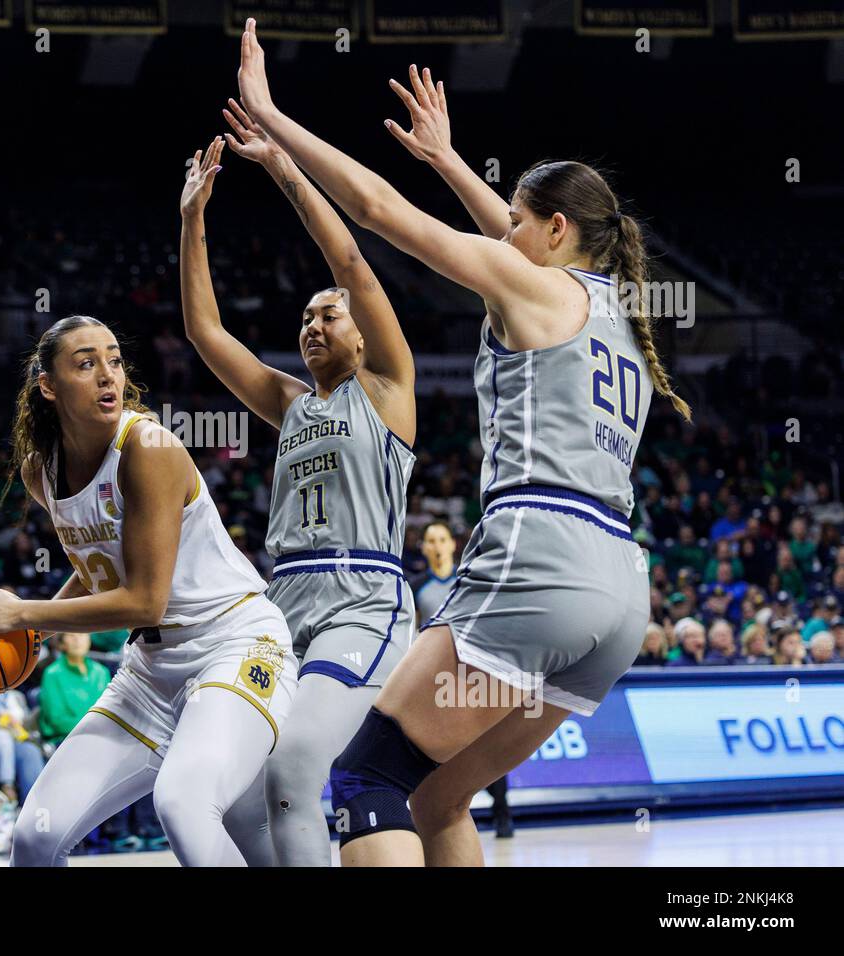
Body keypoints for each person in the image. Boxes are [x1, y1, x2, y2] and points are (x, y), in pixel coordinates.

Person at [234, 21, 691, 865]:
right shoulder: (618, 310)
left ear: (554, 230)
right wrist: (449, 161)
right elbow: (516, 247)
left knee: (367, 778)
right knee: (439, 794)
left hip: (539, 559)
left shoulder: (534, 283)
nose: (501, 232)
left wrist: (274, 116)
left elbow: (377, 211)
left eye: (517, 220)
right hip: (621, 594)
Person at [0, 315, 299, 867]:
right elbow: (98, 567)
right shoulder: (43, 470)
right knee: (36, 837)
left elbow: (142, 600)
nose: (108, 375)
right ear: (48, 385)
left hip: (236, 645)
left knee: (184, 804)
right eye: (85, 364)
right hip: (151, 673)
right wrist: (33, 622)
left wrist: (19, 615)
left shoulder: (149, 446)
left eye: (113, 359)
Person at [180, 105, 417, 865]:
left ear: (361, 332)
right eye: (305, 319)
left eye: (328, 316)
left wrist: (283, 167)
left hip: (361, 597)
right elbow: (206, 335)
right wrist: (194, 221)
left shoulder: (385, 388)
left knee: (292, 770)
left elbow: (350, 259)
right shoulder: (289, 402)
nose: (313, 325)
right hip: (283, 604)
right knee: (242, 797)